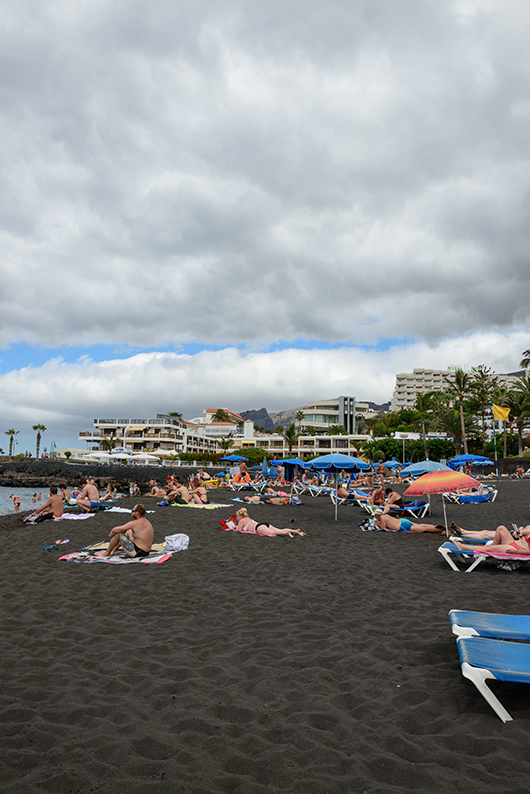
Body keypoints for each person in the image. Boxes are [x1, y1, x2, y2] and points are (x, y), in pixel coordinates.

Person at [454, 524, 530, 555]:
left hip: (517, 548)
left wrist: (516, 552)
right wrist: (521, 535)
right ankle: (494, 549)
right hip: (515, 542)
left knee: (488, 547)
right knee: (501, 528)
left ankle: (464, 547)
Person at [234, 508, 304, 537]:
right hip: (263, 524)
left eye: (237, 516)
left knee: (273, 533)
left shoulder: (241, 521)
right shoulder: (248, 518)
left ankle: (286, 533)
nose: (237, 518)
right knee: (278, 529)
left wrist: (234, 526)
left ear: (240, 516)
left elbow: (239, 530)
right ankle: (295, 531)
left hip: (258, 527)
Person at [374, 510, 445, 533]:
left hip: (402, 525)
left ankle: (438, 528)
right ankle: (434, 525)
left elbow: (383, 527)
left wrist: (378, 524)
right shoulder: (386, 515)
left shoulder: (382, 518)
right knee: (420, 525)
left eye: (375, 515)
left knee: (424, 529)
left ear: (378, 515)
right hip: (403, 520)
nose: (375, 517)